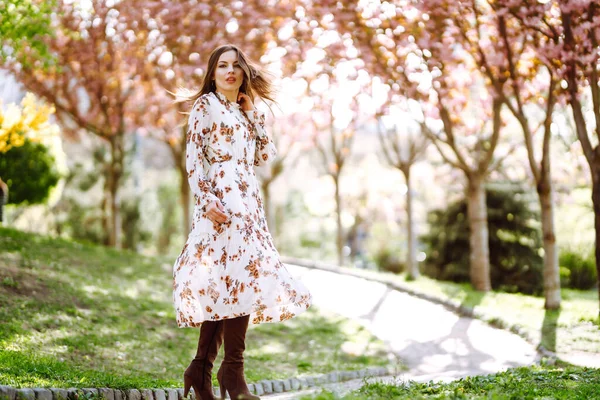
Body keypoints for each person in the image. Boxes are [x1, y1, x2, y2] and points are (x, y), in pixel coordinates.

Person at [172, 44, 312, 400]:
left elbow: (265, 155)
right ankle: (228, 373)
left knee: (236, 283)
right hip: (219, 202)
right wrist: (206, 201)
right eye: (223, 66)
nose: (230, 71)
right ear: (213, 73)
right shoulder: (206, 106)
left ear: (244, 73)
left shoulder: (243, 110)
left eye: (236, 65)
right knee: (229, 283)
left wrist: (253, 115)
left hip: (248, 204)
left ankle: (205, 370)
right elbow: (193, 158)